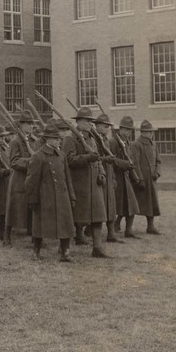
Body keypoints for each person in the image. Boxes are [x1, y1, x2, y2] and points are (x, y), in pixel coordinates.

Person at [24, 123, 76, 262]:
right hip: (45, 197)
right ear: (47, 139)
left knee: (65, 224)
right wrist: (32, 199)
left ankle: (65, 252)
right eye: (55, 138)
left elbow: (67, 178)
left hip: (62, 196)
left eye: (59, 138)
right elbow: (32, 180)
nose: (59, 140)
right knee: (39, 226)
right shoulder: (38, 156)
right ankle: (36, 252)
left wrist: (72, 196)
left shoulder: (61, 155)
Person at [63, 107, 110, 258]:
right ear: (79, 122)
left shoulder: (91, 138)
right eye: (87, 121)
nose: (91, 124)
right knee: (75, 217)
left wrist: (102, 172)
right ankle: (64, 247)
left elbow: (97, 157)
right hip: (80, 184)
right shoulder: (71, 138)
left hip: (94, 183)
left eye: (91, 121)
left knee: (98, 216)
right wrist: (87, 158)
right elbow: (69, 160)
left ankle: (97, 247)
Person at [3, 110, 39, 246]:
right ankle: (6, 236)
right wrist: (30, 162)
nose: (31, 126)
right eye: (28, 124)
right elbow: (13, 162)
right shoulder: (15, 141)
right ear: (21, 125)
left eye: (32, 123)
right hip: (18, 179)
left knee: (33, 208)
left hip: (31, 179)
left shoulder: (35, 141)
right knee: (13, 208)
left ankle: (35, 237)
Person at [93, 114, 125, 244]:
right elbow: (94, 158)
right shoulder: (93, 139)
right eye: (105, 127)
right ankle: (90, 233)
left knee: (111, 206)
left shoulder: (105, 139)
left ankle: (111, 233)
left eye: (108, 127)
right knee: (99, 207)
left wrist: (112, 177)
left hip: (108, 173)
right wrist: (105, 159)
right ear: (98, 126)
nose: (107, 129)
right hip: (98, 176)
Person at [110, 117, 141, 238]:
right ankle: (110, 228)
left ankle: (128, 230)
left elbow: (130, 159)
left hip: (126, 177)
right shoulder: (112, 142)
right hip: (116, 177)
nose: (128, 132)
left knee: (131, 205)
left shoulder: (127, 142)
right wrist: (125, 164)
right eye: (126, 129)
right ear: (120, 129)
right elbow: (111, 160)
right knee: (115, 207)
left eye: (130, 130)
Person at [130, 120, 162, 234]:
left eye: (151, 132)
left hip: (152, 180)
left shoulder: (154, 144)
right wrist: (140, 179)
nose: (150, 134)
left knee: (152, 203)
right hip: (141, 180)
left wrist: (157, 173)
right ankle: (119, 223)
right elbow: (135, 163)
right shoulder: (136, 144)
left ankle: (150, 226)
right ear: (142, 132)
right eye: (148, 132)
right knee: (133, 203)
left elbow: (158, 161)